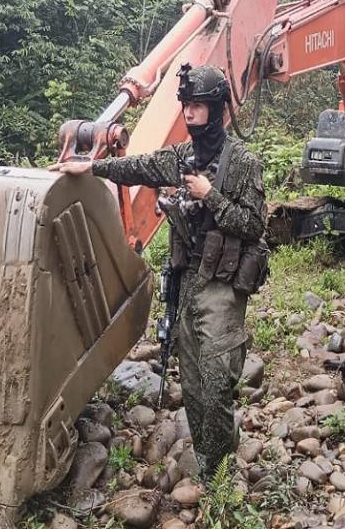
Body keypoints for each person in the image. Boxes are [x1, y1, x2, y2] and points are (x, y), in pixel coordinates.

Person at [49, 63, 267, 477]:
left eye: (197, 107)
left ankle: (218, 470)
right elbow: (139, 167)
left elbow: (255, 225)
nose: (189, 114)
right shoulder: (182, 156)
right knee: (193, 381)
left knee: (218, 381)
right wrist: (91, 167)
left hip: (221, 283)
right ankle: (209, 460)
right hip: (186, 281)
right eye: (186, 106)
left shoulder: (242, 162)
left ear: (217, 108)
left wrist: (211, 196)